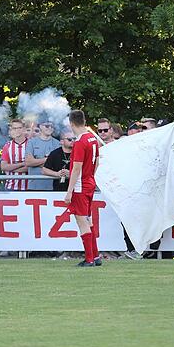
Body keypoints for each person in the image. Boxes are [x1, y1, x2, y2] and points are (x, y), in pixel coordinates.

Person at [64, 110, 101, 267]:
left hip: (80, 186)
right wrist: (91, 176)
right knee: (88, 220)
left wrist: (69, 191)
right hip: (90, 182)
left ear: (72, 124)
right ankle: (96, 256)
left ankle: (89, 259)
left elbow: (76, 168)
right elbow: (97, 161)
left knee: (82, 221)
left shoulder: (79, 142)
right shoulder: (93, 138)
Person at [25, 121, 61, 191]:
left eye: (52, 126)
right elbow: (28, 162)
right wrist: (47, 160)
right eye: (47, 126)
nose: (50, 128)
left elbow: (58, 165)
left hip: (53, 186)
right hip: (34, 186)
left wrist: (36, 162)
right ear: (40, 126)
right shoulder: (31, 142)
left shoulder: (58, 143)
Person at [0, 119, 29, 191]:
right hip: (11, 187)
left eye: (19, 128)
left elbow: (32, 168)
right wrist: (23, 164)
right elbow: (3, 167)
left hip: (29, 188)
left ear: (24, 129)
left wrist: (11, 168)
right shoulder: (7, 146)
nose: (17, 130)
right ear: (11, 130)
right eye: (14, 128)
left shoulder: (31, 144)